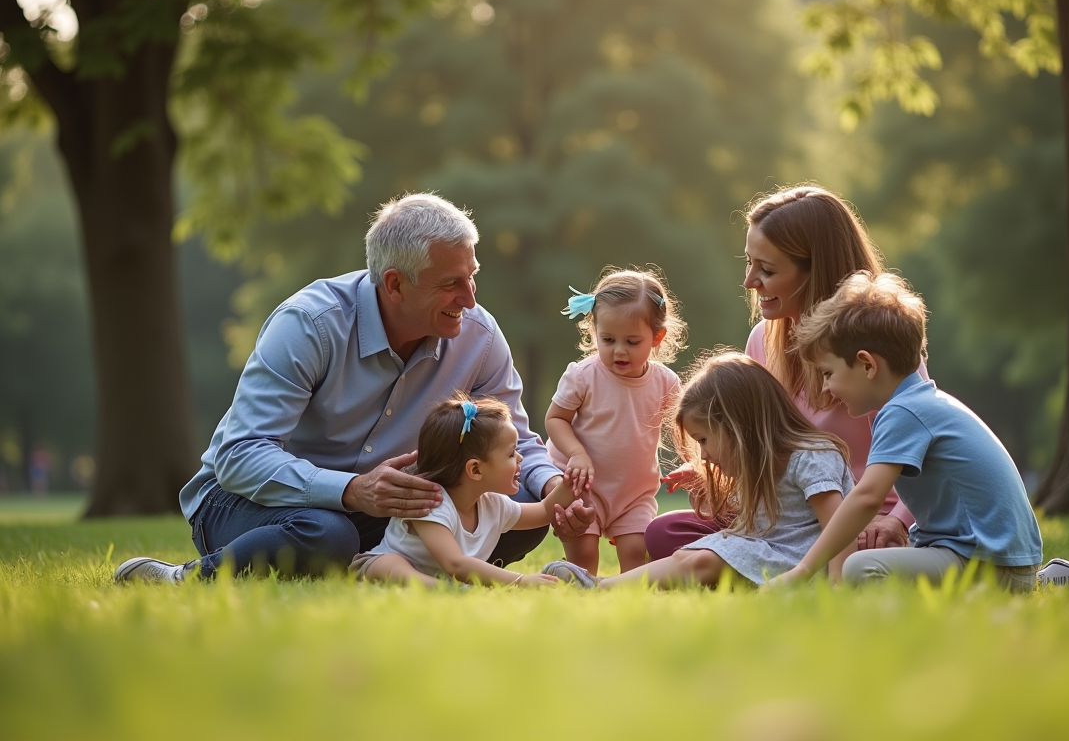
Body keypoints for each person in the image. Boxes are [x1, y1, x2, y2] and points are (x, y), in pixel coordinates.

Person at [114, 193, 594, 583]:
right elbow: (239, 455)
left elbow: (518, 442)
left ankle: (383, 570)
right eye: (452, 284)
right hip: (249, 500)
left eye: (472, 278)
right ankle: (183, 578)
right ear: (394, 284)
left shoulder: (480, 335)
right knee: (328, 533)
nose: (469, 300)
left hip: (384, 508)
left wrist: (552, 487)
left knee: (510, 520)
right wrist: (352, 490)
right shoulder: (309, 324)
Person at [648, 185, 917, 559]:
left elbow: (921, 447)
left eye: (767, 270)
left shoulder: (878, 346)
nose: (749, 281)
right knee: (666, 531)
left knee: (861, 554)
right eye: (749, 262)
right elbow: (759, 441)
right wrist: (716, 466)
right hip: (787, 518)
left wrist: (897, 522)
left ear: (816, 271)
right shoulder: (762, 341)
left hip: (861, 523)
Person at [771, 271, 1043, 591]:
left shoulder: (903, 412)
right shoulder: (919, 401)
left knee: (859, 568)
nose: (827, 388)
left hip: (988, 566)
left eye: (828, 373)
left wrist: (802, 570)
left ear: (867, 365)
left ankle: (1029, 585)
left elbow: (868, 497)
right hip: (995, 560)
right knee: (874, 557)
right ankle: (1055, 580)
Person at [542, 351, 856, 589]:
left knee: (706, 560)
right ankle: (599, 586)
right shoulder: (759, 465)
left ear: (738, 426)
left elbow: (842, 526)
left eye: (704, 440)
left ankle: (601, 589)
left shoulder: (812, 456)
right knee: (688, 557)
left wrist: (839, 586)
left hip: (800, 562)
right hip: (766, 552)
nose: (703, 454)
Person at [353, 395, 582, 587]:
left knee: (454, 582)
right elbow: (456, 563)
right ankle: (435, 588)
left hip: (447, 578)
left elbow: (544, 510)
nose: (520, 458)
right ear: (475, 469)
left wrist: (570, 483)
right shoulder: (431, 504)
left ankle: (445, 588)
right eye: (511, 454)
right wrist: (521, 581)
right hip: (383, 566)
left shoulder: (493, 504)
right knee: (391, 563)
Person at [544, 269, 685, 574]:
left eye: (632, 341)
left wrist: (690, 463)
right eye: (607, 339)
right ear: (595, 331)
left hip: (634, 492)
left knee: (637, 555)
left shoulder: (666, 383)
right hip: (583, 487)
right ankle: (583, 601)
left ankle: (629, 610)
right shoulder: (583, 376)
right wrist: (576, 453)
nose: (619, 350)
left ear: (657, 337)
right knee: (583, 555)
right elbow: (555, 419)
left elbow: (683, 430)